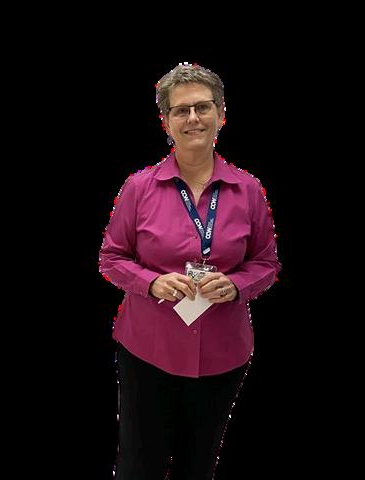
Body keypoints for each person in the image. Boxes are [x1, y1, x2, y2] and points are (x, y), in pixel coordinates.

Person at [98, 62, 281, 480]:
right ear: (165, 122)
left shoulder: (249, 190)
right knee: (138, 465)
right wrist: (152, 282)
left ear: (221, 114)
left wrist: (236, 285)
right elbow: (111, 257)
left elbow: (266, 263)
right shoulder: (138, 187)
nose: (193, 118)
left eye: (202, 107)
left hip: (223, 353)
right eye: (181, 110)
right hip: (148, 350)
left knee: (198, 465)